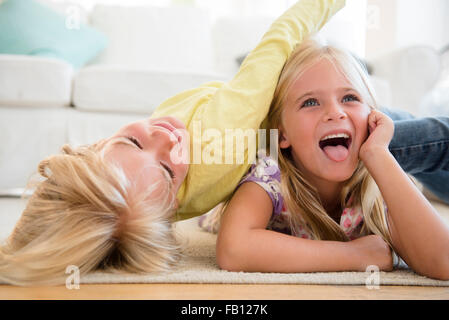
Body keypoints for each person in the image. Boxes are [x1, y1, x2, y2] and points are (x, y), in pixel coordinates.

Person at [0, 0, 347, 286]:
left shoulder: (145, 199)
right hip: (337, 122)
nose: (165, 138)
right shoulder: (222, 132)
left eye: (133, 142)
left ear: (95, 145)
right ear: (168, 210)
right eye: (167, 171)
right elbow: (279, 39)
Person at [214, 39, 449, 280]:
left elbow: (443, 262)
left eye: (349, 97)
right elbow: (233, 249)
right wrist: (355, 255)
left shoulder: (377, 180)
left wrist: (378, 154)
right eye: (311, 102)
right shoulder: (271, 172)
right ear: (282, 134)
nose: (335, 112)